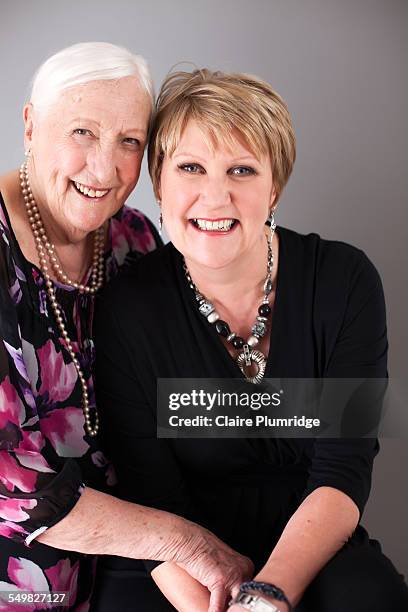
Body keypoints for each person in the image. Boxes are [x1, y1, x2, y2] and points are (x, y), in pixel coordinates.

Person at [93, 68, 408, 611]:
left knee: (369, 598)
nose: (215, 196)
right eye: (191, 167)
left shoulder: (345, 281)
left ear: (275, 188)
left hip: (313, 538)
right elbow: (150, 492)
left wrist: (269, 594)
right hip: (178, 554)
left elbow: (344, 471)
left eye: (242, 169)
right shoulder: (128, 307)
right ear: (159, 184)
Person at [0, 48, 253, 612]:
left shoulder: (132, 240)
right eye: (83, 132)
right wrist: (185, 544)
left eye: (129, 142)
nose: (105, 167)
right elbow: (11, 485)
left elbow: (174, 404)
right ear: (30, 126)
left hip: (133, 569)